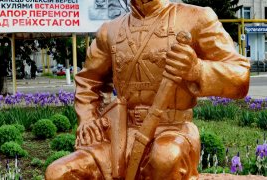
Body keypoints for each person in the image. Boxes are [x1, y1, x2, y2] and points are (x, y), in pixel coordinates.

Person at [45, 0, 250, 179]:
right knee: (59, 172)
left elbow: (240, 76)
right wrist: (88, 119)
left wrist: (197, 70)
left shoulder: (196, 18)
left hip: (172, 130)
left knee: (165, 158)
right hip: (119, 137)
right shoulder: (111, 30)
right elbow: (88, 81)